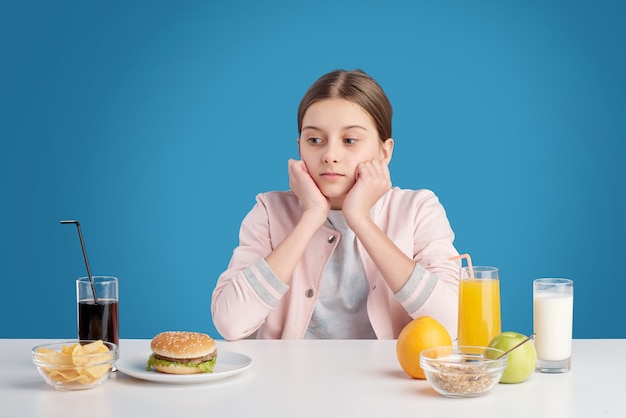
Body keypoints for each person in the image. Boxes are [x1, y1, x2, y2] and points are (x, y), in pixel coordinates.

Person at [211, 69, 460, 340]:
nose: (330, 155)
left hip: (389, 380)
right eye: (315, 140)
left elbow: (453, 322)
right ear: (300, 146)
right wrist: (311, 217)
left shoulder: (418, 210)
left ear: (384, 151)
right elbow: (229, 323)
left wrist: (360, 219)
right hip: (286, 379)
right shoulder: (269, 211)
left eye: (350, 140)